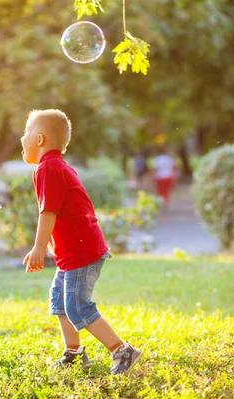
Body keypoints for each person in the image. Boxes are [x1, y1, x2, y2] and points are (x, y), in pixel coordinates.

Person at [20, 109, 143, 375]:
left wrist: (39, 248)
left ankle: (122, 350)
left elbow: (48, 211)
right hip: (73, 253)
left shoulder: (49, 168)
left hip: (81, 253)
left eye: (25, 133)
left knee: (77, 306)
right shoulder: (53, 166)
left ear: (39, 139)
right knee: (59, 302)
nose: (22, 139)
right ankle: (74, 353)